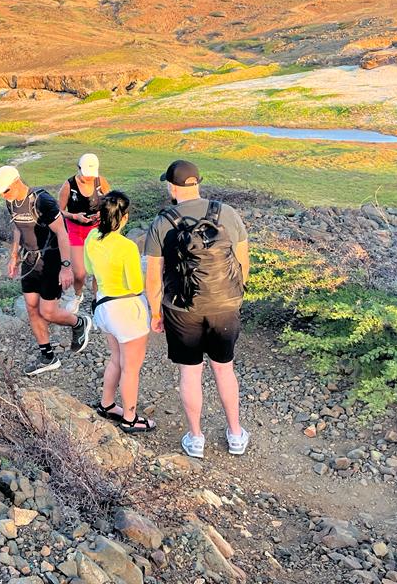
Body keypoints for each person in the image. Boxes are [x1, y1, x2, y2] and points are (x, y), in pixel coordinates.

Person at [143, 159, 251, 458]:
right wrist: (233, 298)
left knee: (190, 374)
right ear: (198, 183)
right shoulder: (227, 213)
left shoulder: (162, 223)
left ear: (171, 187)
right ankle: (235, 434)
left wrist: (156, 313)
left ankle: (196, 438)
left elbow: (153, 279)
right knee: (224, 369)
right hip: (224, 306)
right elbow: (243, 264)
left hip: (181, 310)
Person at [0, 165, 93, 376]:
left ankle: (79, 322)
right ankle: (48, 356)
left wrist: (66, 267)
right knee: (31, 307)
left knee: (48, 312)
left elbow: (62, 233)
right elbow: (17, 227)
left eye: (5, 190)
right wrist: (14, 255)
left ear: (16, 182)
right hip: (29, 260)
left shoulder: (42, 200)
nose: (3, 195)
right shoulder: (11, 202)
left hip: (50, 260)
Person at [84, 191, 155, 434]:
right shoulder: (127, 247)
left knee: (116, 358)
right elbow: (135, 286)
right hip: (126, 311)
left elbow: (89, 270)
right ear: (124, 217)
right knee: (131, 368)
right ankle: (130, 418)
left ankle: (107, 404)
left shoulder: (91, 237)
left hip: (104, 307)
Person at [57, 153, 111, 314]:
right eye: (86, 174)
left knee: (98, 269)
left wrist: (102, 213)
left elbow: (110, 202)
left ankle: (97, 300)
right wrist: (74, 216)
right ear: (79, 168)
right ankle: (78, 294)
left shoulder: (101, 181)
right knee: (79, 273)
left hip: (96, 230)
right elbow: (59, 211)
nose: (89, 178)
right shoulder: (69, 185)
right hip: (76, 230)